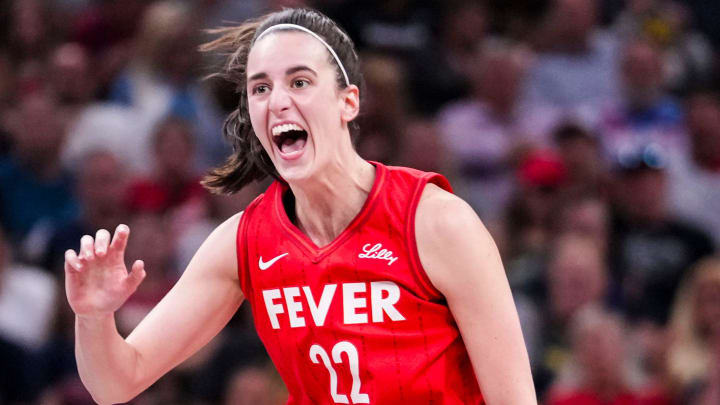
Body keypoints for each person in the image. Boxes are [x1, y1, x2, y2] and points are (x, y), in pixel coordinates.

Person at [63, 8, 535, 404]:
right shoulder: (242, 243)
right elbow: (117, 382)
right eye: (261, 88)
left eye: (300, 81)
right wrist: (93, 316)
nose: (278, 102)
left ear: (347, 101)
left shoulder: (437, 223)